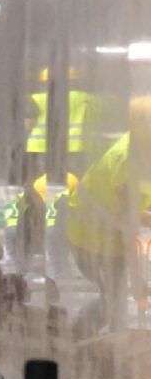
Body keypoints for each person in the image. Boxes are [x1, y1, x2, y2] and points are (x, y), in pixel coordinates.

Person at [67, 96, 151, 337]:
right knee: (113, 301)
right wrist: (137, 281)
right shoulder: (125, 163)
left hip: (110, 228)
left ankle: (118, 351)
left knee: (117, 302)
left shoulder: (144, 148)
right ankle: (73, 343)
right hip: (89, 236)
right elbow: (128, 227)